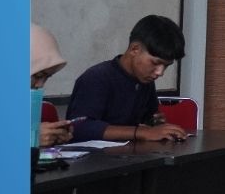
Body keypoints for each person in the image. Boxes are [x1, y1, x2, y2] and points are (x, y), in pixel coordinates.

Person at [66, 15, 189, 143]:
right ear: (135, 49)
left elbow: (149, 119)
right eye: (155, 63)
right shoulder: (96, 78)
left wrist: (155, 123)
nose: (160, 72)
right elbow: (79, 128)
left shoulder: (145, 81)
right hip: (93, 155)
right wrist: (142, 132)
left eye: (166, 66)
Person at [31, 23, 73, 148]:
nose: (40, 85)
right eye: (38, 75)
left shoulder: (42, 110)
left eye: (47, 77)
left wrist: (55, 138)